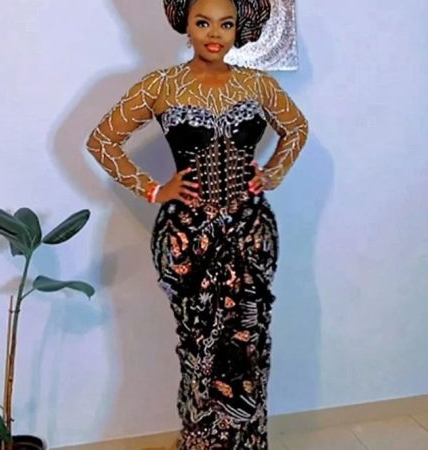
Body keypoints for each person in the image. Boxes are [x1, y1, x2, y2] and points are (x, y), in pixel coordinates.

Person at [86, 0, 308, 447]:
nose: (214, 34)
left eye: (226, 24)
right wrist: (155, 190)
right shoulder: (161, 85)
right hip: (187, 239)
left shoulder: (258, 84)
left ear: (238, 29)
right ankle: (201, 442)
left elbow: (296, 129)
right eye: (203, 22)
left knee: (249, 341)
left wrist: (273, 173)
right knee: (198, 345)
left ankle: (246, 443)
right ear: (185, 24)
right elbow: (102, 141)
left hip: (250, 235)